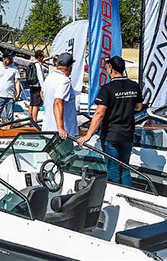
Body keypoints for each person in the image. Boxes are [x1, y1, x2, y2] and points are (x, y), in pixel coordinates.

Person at [78, 56, 142, 186]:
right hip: (127, 133)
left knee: (113, 169)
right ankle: (127, 193)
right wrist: (125, 105)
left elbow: (99, 114)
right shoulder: (134, 85)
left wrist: (88, 135)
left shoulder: (107, 88)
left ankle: (115, 195)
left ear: (111, 69)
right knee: (125, 168)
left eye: (108, 66)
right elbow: (138, 107)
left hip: (111, 134)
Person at [41, 52, 78, 138]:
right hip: (62, 132)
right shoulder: (64, 81)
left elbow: (42, 94)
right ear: (71, 66)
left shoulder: (49, 77)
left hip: (48, 128)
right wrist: (60, 128)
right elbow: (58, 102)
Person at [0, 54, 21, 124]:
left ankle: (9, 128)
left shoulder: (14, 69)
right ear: (4, 59)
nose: (11, 60)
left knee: (10, 116)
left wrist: (18, 93)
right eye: (9, 59)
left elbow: (17, 81)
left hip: (10, 96)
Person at [25, 50, 48, 122]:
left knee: (32, 103)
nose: (43, 58)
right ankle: (34, 120)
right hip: (37, 86)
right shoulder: (38, 65)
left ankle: (30, 118)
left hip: (31, 85)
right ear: (40, 57)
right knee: (36, 104)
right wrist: (43, 88)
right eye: (42, 56)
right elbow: (40, 76)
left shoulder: (31, 63)